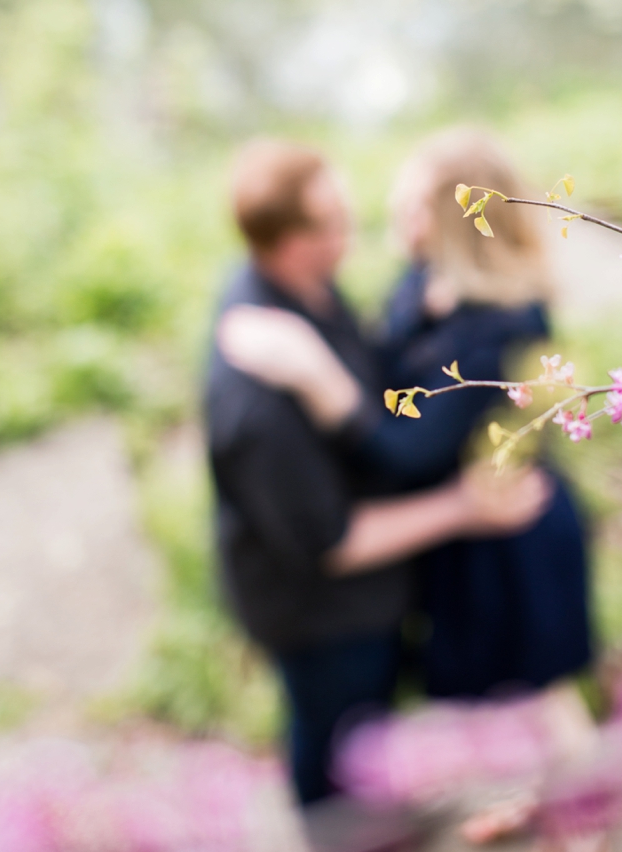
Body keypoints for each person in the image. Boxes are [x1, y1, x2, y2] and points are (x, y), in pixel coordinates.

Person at [205, 139, 551, 806]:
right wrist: (461, 506)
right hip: (325, 609)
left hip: (424, 570)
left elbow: (393, 394)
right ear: (289, 242)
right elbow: (330, 540)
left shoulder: (319, 290)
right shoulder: (262, 393)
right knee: (336, 755)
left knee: (407, 733)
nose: (359, 224)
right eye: (334, 220)